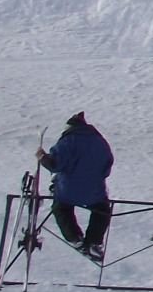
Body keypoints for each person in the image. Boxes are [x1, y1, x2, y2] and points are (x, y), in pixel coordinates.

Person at [39, 112, 114, 263]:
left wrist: (42, 157)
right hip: (95, 190)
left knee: (61, 209)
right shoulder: (101, 142)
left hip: (67, 190)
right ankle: (94, 241)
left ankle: (75, 239)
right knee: (102, 210)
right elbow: (107, 168)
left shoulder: (67, 141)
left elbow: (55, 165)